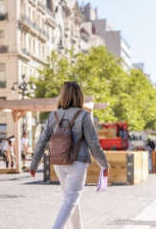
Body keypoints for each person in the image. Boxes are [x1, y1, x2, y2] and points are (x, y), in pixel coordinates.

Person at [30, 81, 109, 229]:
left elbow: (42, 141)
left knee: (70, 199)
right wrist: (104, 165)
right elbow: (93, 144)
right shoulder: (84, 115)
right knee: (71, 199)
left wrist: (34, 164)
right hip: (77, 163)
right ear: (79, 97)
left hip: (59, 162)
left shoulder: (53, 116)